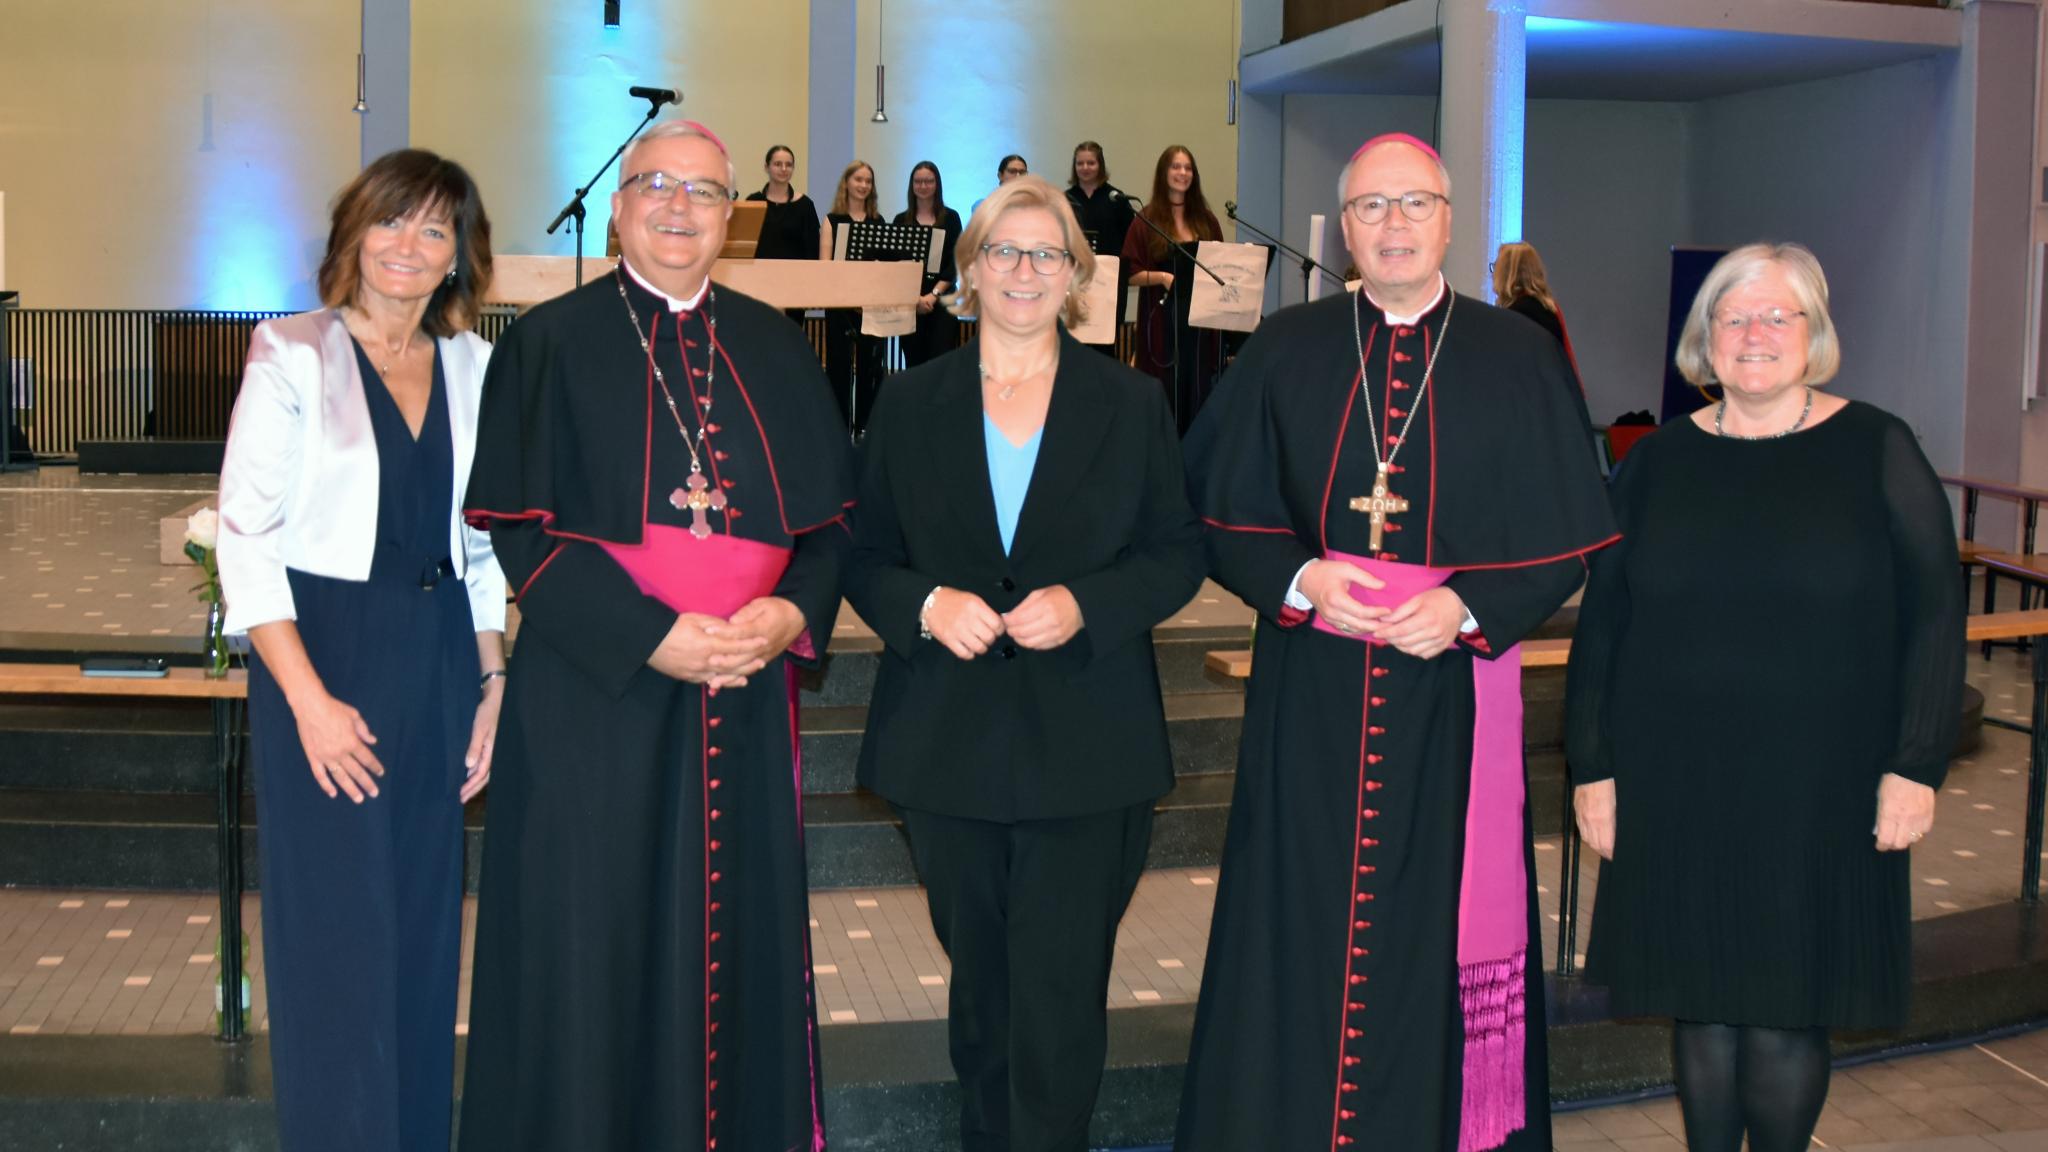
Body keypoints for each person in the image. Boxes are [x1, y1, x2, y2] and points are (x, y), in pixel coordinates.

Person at [1174, 132, 1617, 1152]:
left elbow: (1568, 536)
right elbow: (1213, 504)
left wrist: (1464, 609)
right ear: (1343, 231)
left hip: (1450, 693)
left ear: (1448, 218)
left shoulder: (1516, 353)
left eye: (1412, 205)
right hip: (1311, 683)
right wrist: (1301, 576)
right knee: (1297, 918)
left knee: (1435, 922)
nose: (1392, 227)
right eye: (1370, 209)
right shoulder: (1289, 345)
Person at [457, 119, 853, 1151]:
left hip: (746, 695)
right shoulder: (548, 342)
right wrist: (648, 636)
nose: (680, 208)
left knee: (737, 940)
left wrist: (788, 614)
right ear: (622, 204)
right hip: (599, 697)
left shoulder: (772, 344)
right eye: (658, 187)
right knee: (591, 939)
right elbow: (519, 532)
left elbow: (829, 529)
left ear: (732, 216)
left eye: (704, 193)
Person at [1564, 242, 1960, 1152]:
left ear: (1814, 332)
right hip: (1677, 777)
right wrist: (1595, 766)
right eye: (1733, 317)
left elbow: (1937, 611)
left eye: (1778, 315)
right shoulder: (1656, 462)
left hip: (1824, 780)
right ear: (1705, 339)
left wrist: (1917, 763)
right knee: (1698, 1005)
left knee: (1788, 1006)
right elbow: (1606, 624)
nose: (1755, 334)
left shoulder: (1877, 447)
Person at [847, 173, 1204, 1152]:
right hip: (946, 740)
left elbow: (1177, 551)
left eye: (1045, 255)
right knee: (981, 991)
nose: (1022, 271)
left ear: (1075, 278)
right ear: (968, 271)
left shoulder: (1128, 405)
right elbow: (862, 554)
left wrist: (1087, 602)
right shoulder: (910, 404)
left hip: (1088, 742)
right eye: (1002, 251)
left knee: (1057, 993)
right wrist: (926, 603)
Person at [216, 148, 504, 1151]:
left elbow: (484, 545)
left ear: (459, 259)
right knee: (339, 934)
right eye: (393, 222)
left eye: (435, 230)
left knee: (424, 930)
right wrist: (308, 701)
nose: (408, 245)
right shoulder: (290, 352)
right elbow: (245, 542)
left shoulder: (475, 366)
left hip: (439, 656)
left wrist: (494, 684)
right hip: (323, 652)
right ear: (354, 234)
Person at [1120, 146, 1225, 435]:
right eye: (1176, 167)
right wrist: (1164, 278)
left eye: (1188, 168)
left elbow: (1221, 265)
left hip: (1200, 324)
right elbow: (1130, 274)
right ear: (1163, 173)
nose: (1182, 173)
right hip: (1162, 321)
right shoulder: (1146, 219)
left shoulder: (1206, 220)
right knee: (1165, 393)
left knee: (1197, 392)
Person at [821, 159, 886, 434]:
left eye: (867, 181)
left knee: (870, 368)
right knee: (839, 367)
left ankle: (865, 427)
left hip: (870, 306)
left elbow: (883, 267)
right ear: (846, 183)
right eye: (858, 179)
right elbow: (826, 266)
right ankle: (839, 426)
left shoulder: (878, 221)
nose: (863, 185)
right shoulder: (832, 221)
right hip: (840, 306)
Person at [1065, 141, 1135, 358]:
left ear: (1100, 165)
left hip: (1108, 284)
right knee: (1074, 346)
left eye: (1091, 163)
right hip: (1075, 283)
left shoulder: (1117, 199)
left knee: (1105, 346)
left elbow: (1129, 243)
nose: (1085, 168)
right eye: (1080, 163)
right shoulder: (1065, 199)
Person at [892, 160, 963, 367]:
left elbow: (956, 262)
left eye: (929, 181)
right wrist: (915, 298)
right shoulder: (900, 221)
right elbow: (897, 267)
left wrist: (933, 295)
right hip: (911, 302)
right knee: (914, 362)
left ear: (937, 184)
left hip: (942, 300)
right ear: (912, 185)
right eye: (918, 181)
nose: (923, 186)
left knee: (941, 363)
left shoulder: (951, 218)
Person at [1492, 241, 1583, 395]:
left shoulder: (1517, 315)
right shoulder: (1546, 307)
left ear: (1507, 274)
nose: (1493, 274)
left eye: (1496, 268)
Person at [745, 143, 821, 261]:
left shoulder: (805, 205)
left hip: (796, 275)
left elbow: (813, 250)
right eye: (777, 164)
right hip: (758, 274)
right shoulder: (753, 201)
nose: (784, 169)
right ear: (766, 167)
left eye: (789, 165)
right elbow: (744, 246)